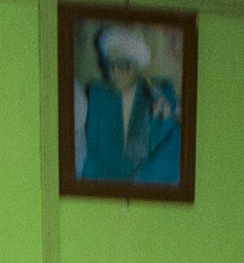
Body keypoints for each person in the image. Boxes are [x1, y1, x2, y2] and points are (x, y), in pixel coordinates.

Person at [78, 27, 182, 187]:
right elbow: (93, 153)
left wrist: (166, 121)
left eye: (122, 65)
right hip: (105, 190)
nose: (114, 72)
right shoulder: (98, 95)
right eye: (110, 64)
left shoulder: (159, 93)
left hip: (148, 188)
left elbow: (168, 153)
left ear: (138, 66)